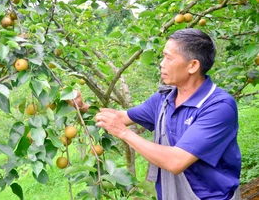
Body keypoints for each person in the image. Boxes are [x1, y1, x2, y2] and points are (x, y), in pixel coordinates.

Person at [94, 29, 241, 199]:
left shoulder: (218, 106)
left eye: (169, 58)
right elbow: (120, 118)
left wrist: (123, 133)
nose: (162, 64)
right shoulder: (164, 99)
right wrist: (82, 106)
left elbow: (176, 161)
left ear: (193, 65)